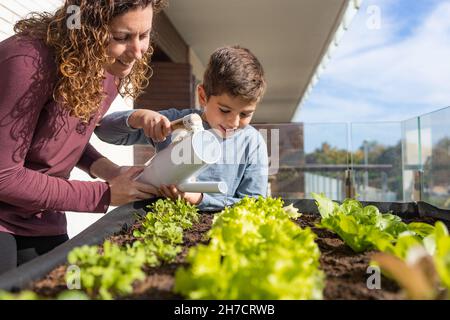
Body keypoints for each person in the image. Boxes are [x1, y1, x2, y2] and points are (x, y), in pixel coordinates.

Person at [0, 0, 166, 275]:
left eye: (144, 35)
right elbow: (4, 175)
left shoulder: (106, 68)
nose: (137, 52)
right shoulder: (27, 63)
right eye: (122, 37)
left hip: (39, 215)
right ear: (86, 31)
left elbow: (57, 134)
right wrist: (104, 194)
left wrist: (111, 171)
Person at [95, 46, 269, 211]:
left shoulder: (252, 143)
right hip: (162, 225)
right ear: (202, 96)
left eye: (245, 114)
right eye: (224, 110)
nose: (234, 122)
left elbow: (255, 205)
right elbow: (103, 131)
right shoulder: (176, 121)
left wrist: (201, 200)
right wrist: (138, 117)